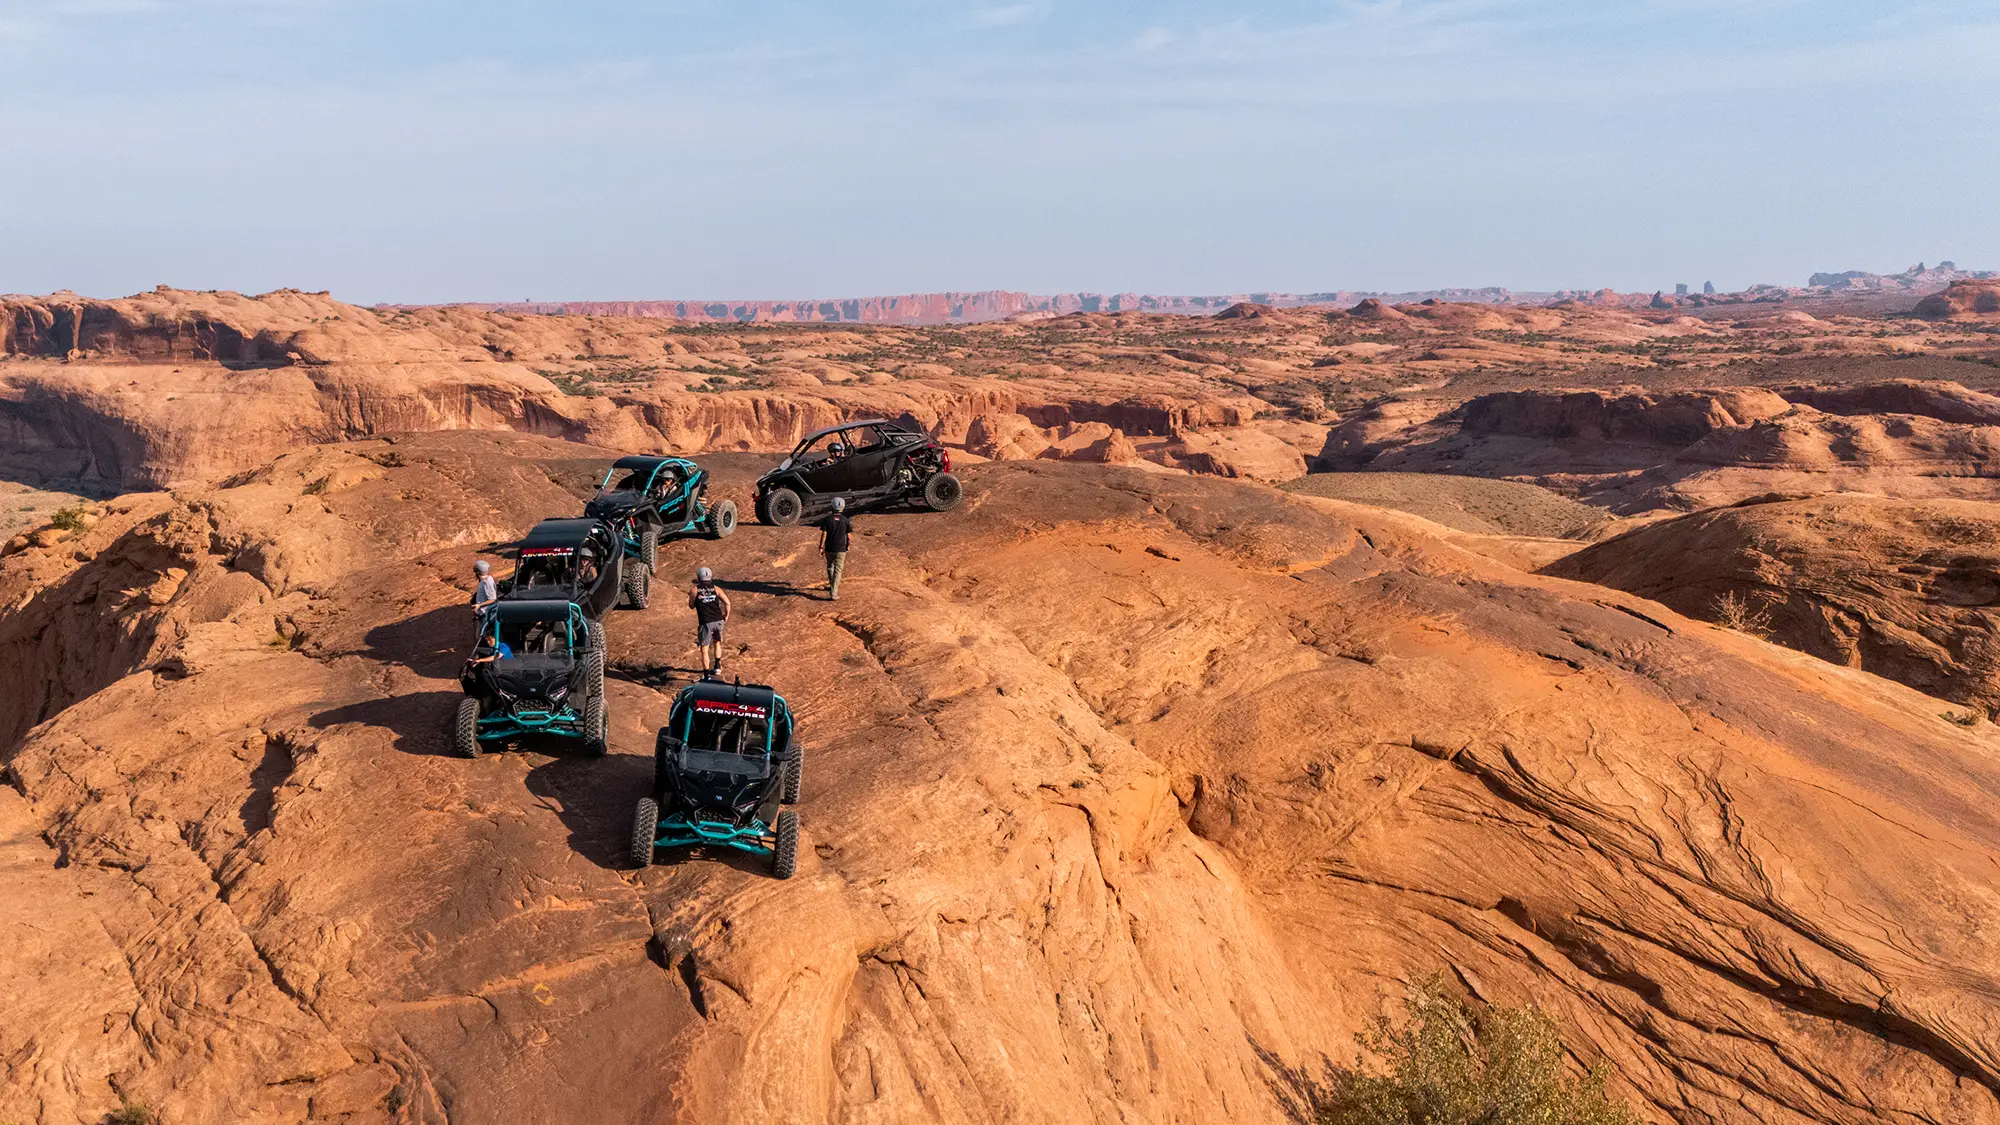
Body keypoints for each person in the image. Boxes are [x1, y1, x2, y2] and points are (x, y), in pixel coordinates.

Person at [688, 566, 732, 675]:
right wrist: (726, 616)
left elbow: (691, 606)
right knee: (717, 644)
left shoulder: (695, 590)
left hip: (706, 622)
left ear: (698, 577)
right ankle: (717, 666)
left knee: (704, 650)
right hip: (718, 620)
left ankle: (706, 675)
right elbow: (727, 603)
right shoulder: (716, 588)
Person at [819, 496, 852, 601]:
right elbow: (849, 536)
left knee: (830, 566)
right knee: (838, 570)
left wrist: (821, 546)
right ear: (842, 508)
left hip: (829, 548)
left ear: (832, 507)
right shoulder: (846, 520)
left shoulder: (826, 519)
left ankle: (832, 585)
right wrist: (848, 545)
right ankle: (834, 593)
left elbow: (824, 534)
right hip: (841, 549)